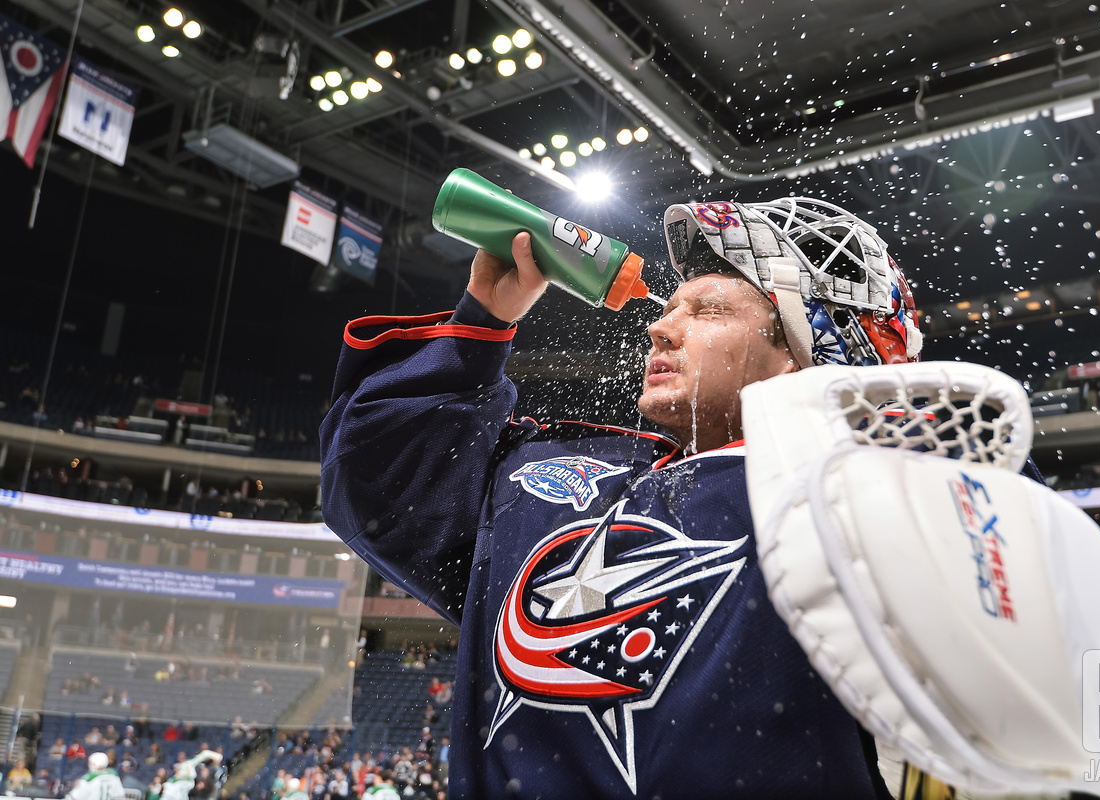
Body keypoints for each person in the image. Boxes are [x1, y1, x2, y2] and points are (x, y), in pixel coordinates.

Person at [320, 197, 922, 797]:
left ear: (807, 354)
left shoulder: (876, 495)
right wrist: (481, 324)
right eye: (669, 307)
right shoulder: (557, 477)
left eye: (709, 311)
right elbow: (377, 481)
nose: (660, 326)